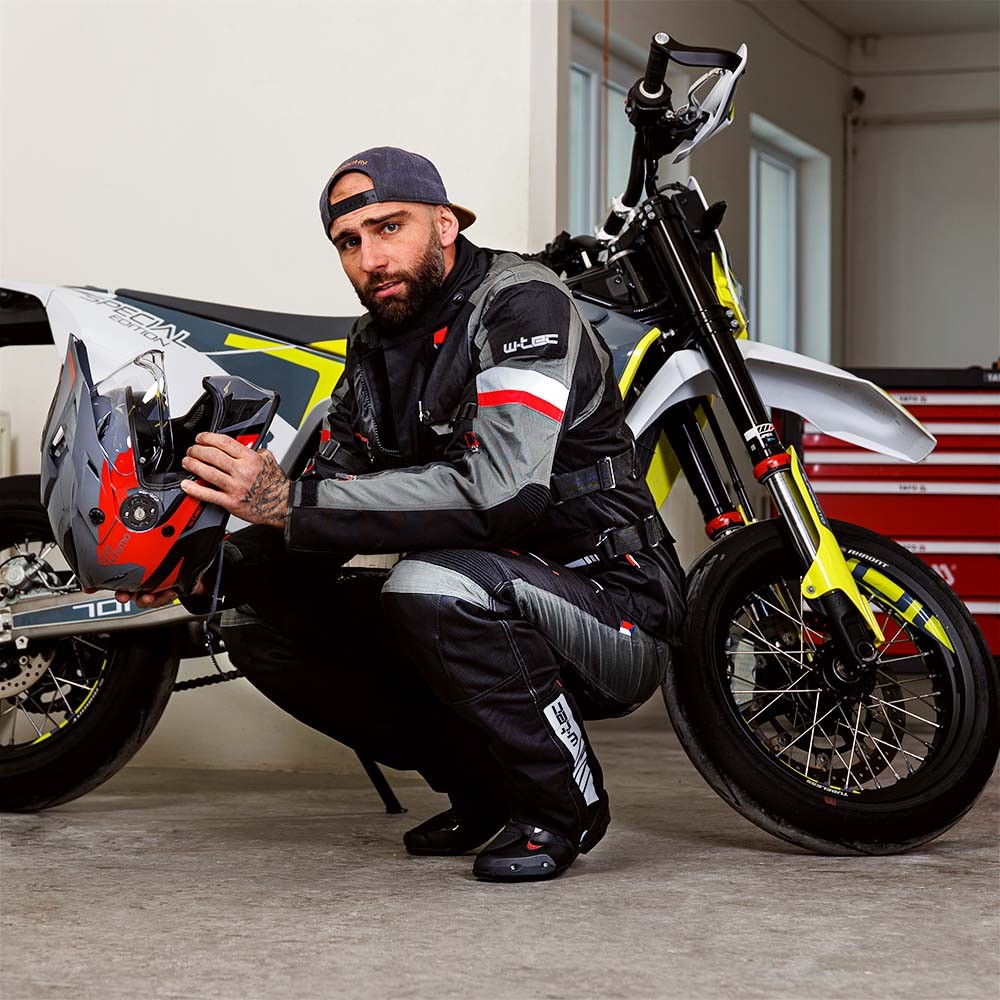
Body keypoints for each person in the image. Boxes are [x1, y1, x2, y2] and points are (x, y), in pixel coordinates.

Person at [122, 146, 685, 882]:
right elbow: (329, 501)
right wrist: (212, 570)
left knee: (428, 584)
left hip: (615, 603)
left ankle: (561, 806)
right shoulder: (373, 345)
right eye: (348, 242)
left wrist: (289, 500)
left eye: (390, 228)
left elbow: (503, 494)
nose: (370, 259)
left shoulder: (522, 303)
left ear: (445, 224)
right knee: (254, 621)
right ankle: (482, 789)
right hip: (487, 594)